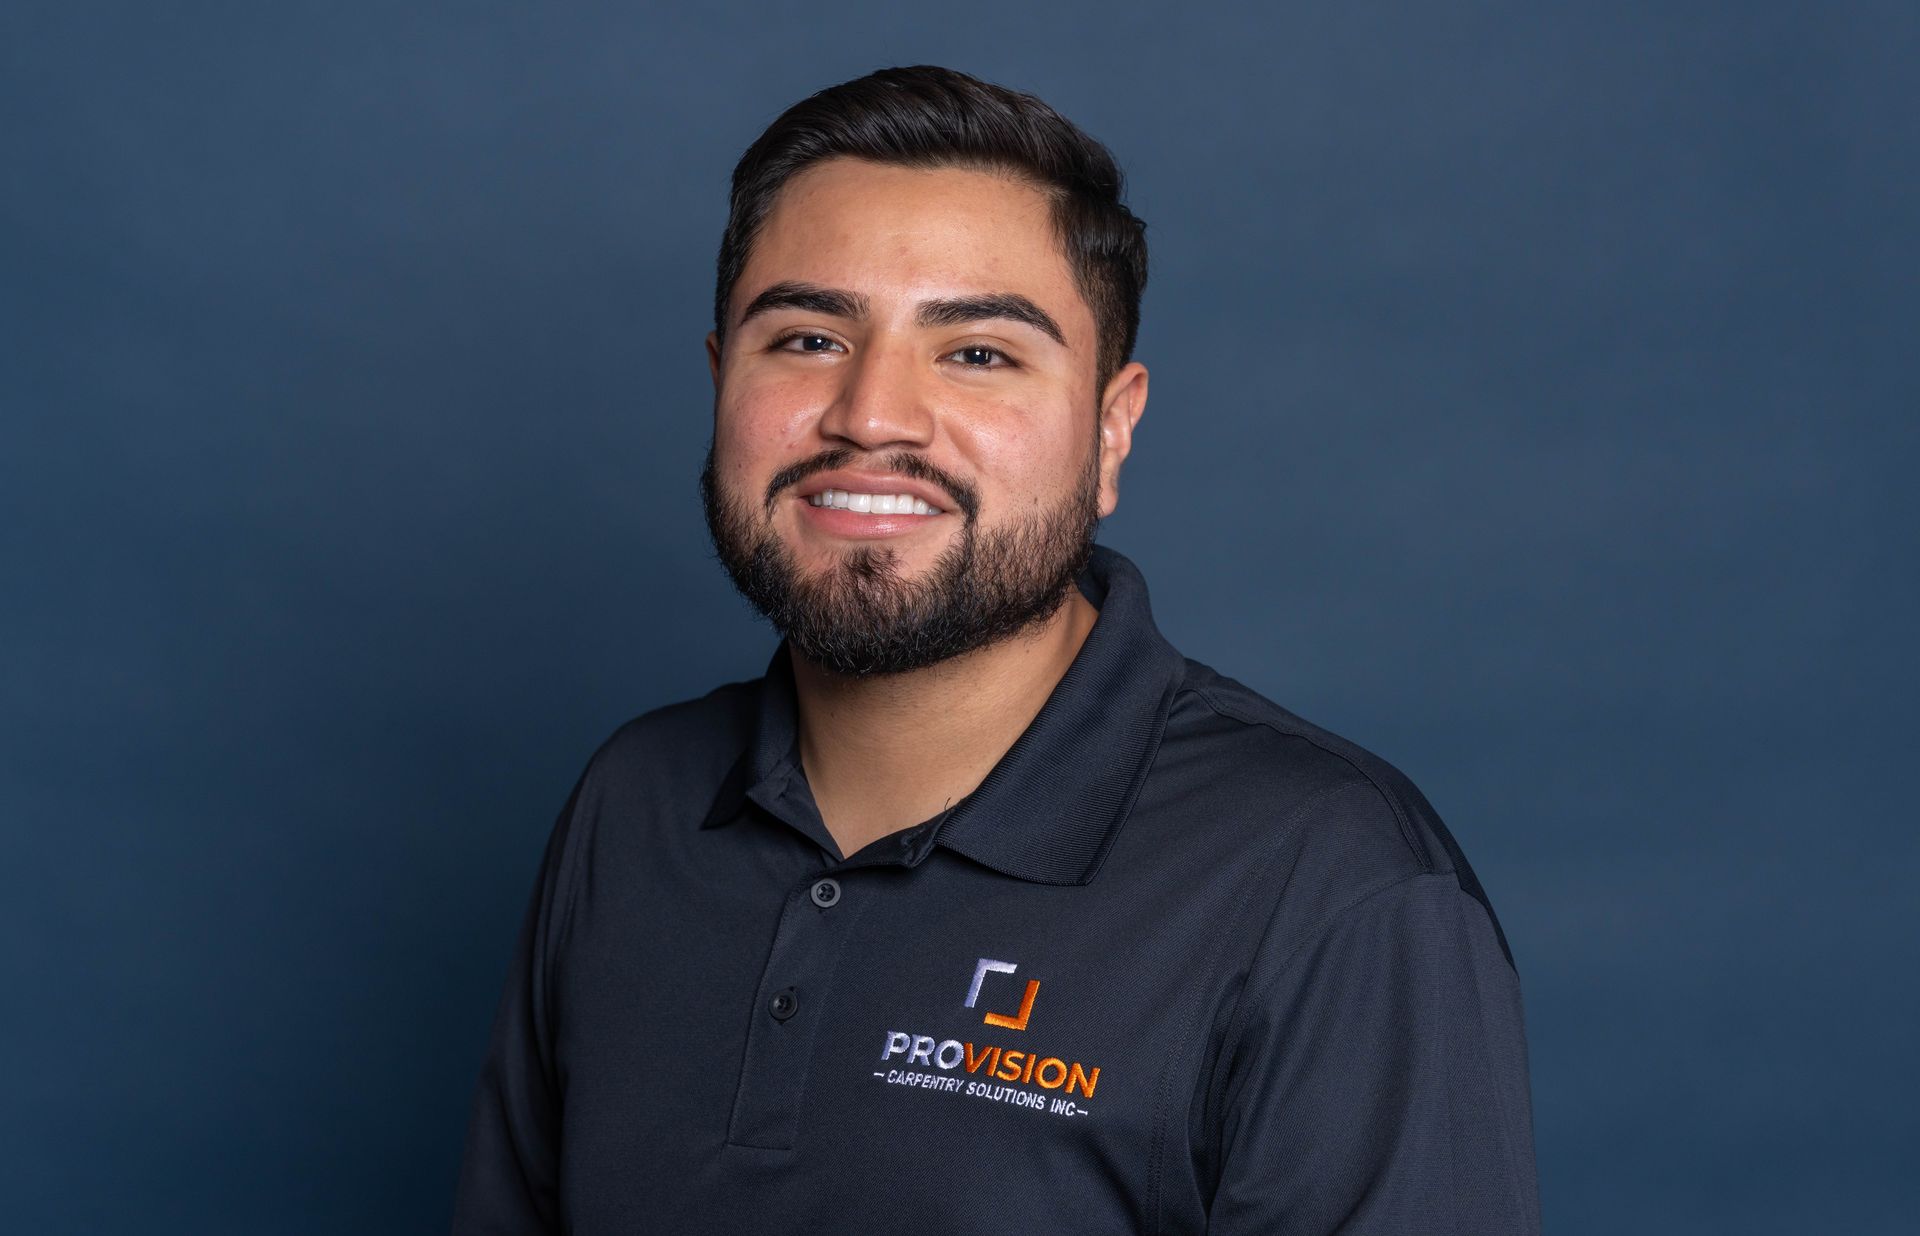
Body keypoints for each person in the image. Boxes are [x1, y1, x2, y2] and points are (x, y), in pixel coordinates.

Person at [452, 64, 1542, 1235]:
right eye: (809, 337)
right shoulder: (635, 803)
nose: (871, 414)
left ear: (1110, 431)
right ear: (722, 385)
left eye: (977, 353)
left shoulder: (1335, 886)